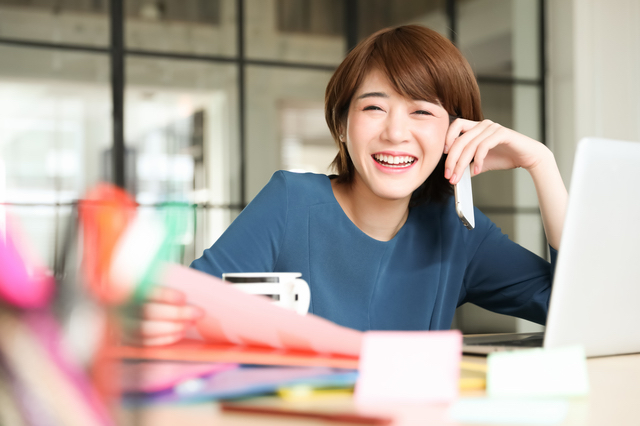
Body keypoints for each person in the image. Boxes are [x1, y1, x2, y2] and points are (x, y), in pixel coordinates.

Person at [131, 25, 568, 346]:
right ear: (342, 125)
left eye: (422, 112)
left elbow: (572, 310)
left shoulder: (458, 232)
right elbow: (182, 309)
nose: (396, 133)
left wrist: (541, 164)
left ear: (455, 134)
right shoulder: (291, 203)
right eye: (375, 107)